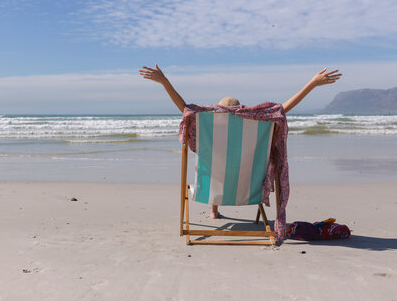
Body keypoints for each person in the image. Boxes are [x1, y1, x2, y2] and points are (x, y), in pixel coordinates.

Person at [139, 64, 341, 218]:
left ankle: (213, 209)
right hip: (248, 190)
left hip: (212, 190)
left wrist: (165, 81)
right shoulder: (258, 121)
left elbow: (184, 108)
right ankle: (219, 205)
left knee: (214, 159)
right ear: (242, 109)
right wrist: (312, 84)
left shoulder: (204, 125)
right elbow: (283, 108)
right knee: (235, 161)